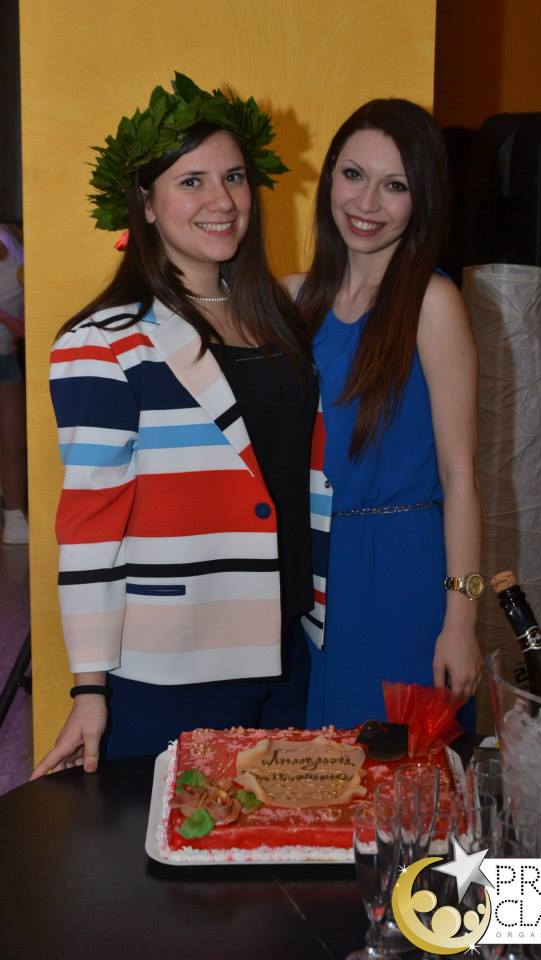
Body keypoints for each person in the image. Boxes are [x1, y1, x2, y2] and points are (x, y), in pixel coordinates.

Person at [32, 74, 319, 778]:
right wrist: (89, 688)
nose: (222, 201)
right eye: (192, 182)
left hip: (292, 646)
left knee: (278, 839)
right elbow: (90, 524)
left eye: (234, 178)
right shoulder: (102, 342)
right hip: (172, 665)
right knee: (163, 844)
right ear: (146, 205)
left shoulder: (282, 321)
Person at [284, 98, 483, 729]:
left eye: (395, 185)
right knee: (315, 770)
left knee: (402, 773)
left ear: (422, 199)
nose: (366, 203)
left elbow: (460, 476)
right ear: (329, 179)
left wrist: (461, 621)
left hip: (403, 570)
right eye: (353, 175)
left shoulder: (432, 302)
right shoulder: (293, 300)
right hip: (311, 575)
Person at [0, 221, 28, 544]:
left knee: (14, 441)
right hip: (8, 348)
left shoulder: (13, 235)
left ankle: (15, 516)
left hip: (6, 355)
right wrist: (13, 322)